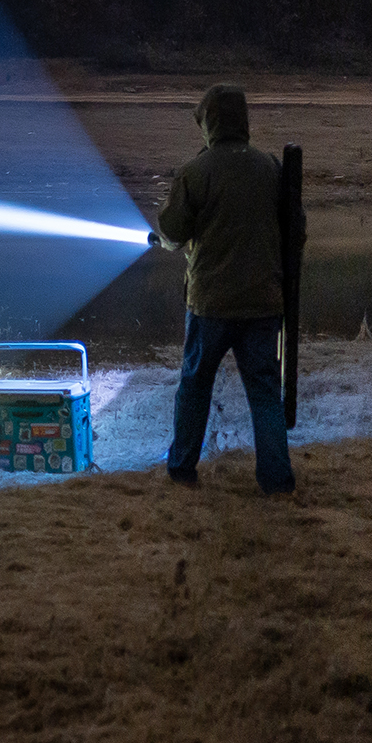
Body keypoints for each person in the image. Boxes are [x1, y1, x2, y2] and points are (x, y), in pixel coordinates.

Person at [151, 83, 303, 494]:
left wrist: (164, 237)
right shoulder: (270, 168)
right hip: (263, 304)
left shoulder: (196, 172)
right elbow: (295, 232)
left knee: (195, 386)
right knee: (265, 391)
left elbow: (171, 231)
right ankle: (276, 479)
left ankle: (182, 468)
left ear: (210, 123)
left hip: (210, 305)